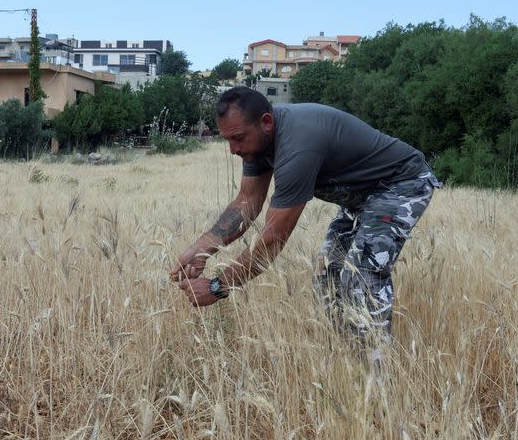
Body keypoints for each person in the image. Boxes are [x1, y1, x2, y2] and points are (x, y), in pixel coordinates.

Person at [169, 86, 440, 340]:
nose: (234, 150)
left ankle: (374, 372)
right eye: (228, 140)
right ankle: (347, 354)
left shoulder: (298, 147)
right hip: (361, 198)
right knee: (328, 273)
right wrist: (201, 248)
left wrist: (218, 287)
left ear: (266, 122)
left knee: (361, 273)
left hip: (402, 183)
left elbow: (273, 239)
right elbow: (247, 202)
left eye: (238, 138)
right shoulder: (258, 145)